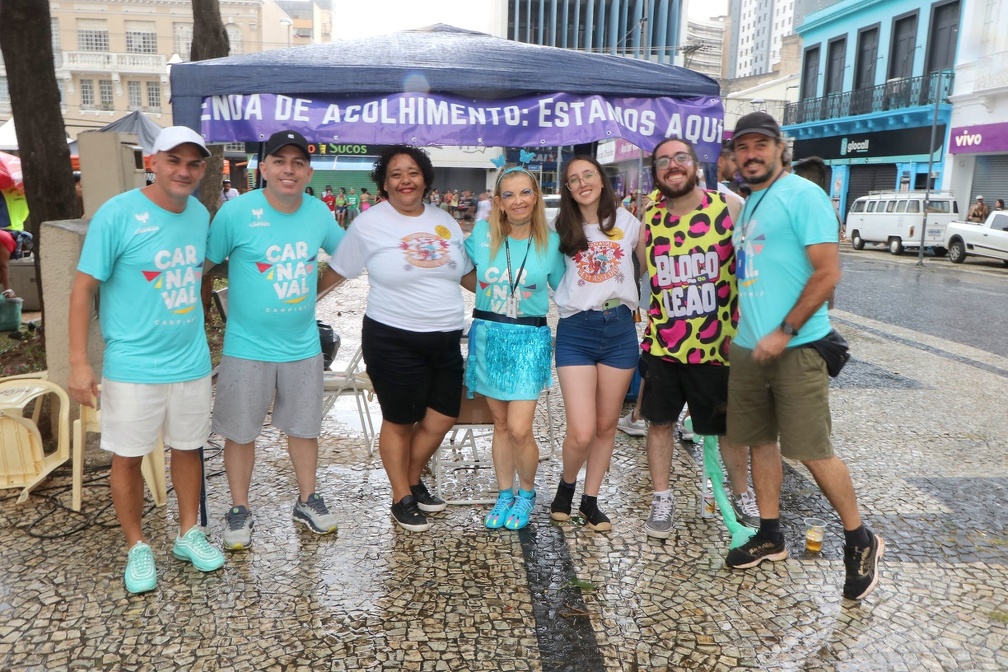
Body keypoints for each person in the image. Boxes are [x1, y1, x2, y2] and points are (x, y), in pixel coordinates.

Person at [726, 111, 883, 601]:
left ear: (780, 148)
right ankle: (770, 534)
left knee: (812, 450)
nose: (751, 154)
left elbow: (827, 272)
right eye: (743, 147)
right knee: (760, 442)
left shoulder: (804, 195)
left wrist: (786, 329)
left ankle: (860, 538)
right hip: (750, 348)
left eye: (760, 145)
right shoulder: (751, 204)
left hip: (796, 347)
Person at [67, 126, 225, 594]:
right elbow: (83, 290)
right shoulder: (118, 214)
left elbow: (194, 277)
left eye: (193, 163)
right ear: (152, 162)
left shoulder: (198, 213)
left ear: (202, 169)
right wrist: (79, 363)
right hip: (133, 363)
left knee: (189, 447)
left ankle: (188, 532)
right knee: (128, 457)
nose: (184, 171)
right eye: (173, 160)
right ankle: (137, 545)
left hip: (190, 360)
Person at [206, 130, 345, 551]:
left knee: (304, 428)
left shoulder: (318, 212)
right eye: (280, 161)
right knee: (240, 431)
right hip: (246, 346)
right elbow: (204, 266)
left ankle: (307, 499)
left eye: (298, 163)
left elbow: (347, 256)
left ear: (309, 172)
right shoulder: (236, 213)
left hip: (302, 345)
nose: (289, 170)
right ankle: (239, 508)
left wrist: (318, 288)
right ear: (263, 168)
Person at [329, 145, 473, 532]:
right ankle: (401, 497)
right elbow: (338, 270)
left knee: (443, 416)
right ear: (384, 183)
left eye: (412, 172)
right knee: (399, 420)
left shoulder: (444, 220)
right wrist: (298, 303)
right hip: (393, 337)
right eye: (396, 174)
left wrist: (510, 290)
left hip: (445, 338)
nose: (405, 180)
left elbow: (466, 274)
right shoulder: (368, 223)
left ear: (425, 179)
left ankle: (411, 479)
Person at [637, 137, 760, 539]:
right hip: (664, 347)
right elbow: (640, 272)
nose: (673, 166)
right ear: (655, 173)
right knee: (659, 424)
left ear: (695, 164)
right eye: (663, 161)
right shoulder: (650, 217)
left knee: (728, 430)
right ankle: (661, 498)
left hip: (718, 349)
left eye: (680, 158)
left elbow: (757, 267)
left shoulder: (730, 207)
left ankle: (742, 495)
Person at [464, 166, 565, 531]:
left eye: (525, 192)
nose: (518, 201)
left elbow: (569, 290)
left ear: (535, 197)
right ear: (498, 202)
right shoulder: (482, 234)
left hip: (529, 340)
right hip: (489, 336)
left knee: (521, 428)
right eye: (509, 195)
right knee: (501, 424)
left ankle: (527, 493)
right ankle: (504, 494)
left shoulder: (551, 242)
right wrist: (491, 294)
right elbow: (457, 270)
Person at [547, 155, 640, 531]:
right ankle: (566, 486)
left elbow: (652, 266)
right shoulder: (559, 227)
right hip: (577, 331)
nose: (582, 182)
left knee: (605, 426)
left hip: (620, 329)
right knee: (582, 430)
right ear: (568, 189)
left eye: (588, 175)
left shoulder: (629, 222)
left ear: (602, 180)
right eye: (574, 179)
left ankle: (590, 500)